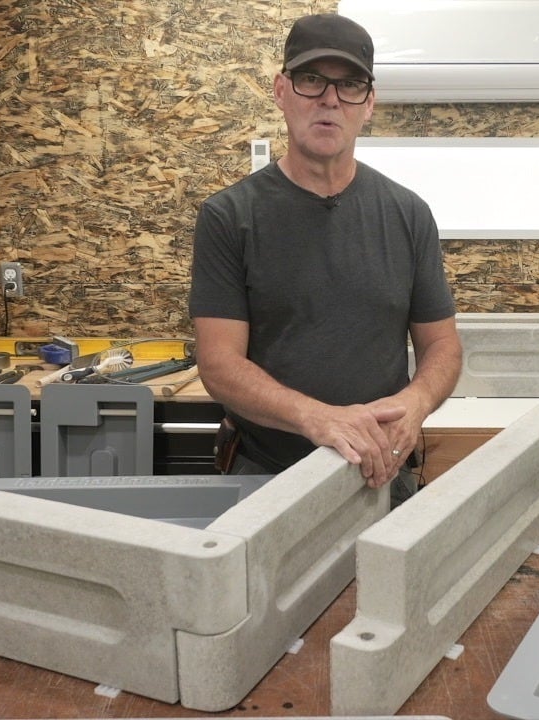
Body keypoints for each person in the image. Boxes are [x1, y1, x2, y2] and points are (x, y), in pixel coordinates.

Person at [188, 13, 462, 504]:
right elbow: (219, 364)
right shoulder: (229, 217)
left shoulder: (408, 215)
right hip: (266, 480)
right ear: (281, 90)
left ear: (369, 103)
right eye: (312, 79)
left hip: (380, 477)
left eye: (351, 84)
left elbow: (442, 345)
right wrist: (318, 418)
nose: (330, 99)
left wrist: (415, 403)